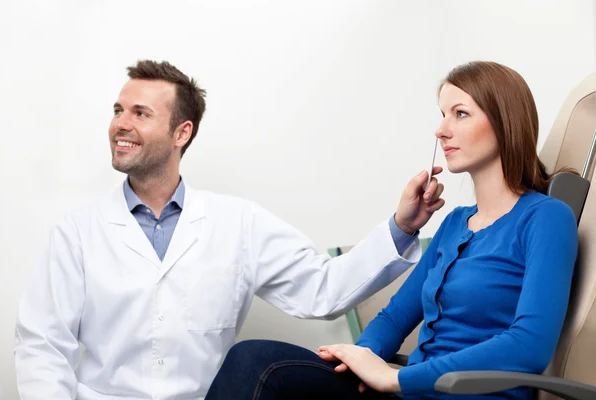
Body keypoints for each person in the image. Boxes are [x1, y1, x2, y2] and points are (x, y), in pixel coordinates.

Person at [14, 60, 445, 400]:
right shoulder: (77, 231)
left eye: (140, 113)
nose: (120, 124)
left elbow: (322, 289)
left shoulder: (238, 223)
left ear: (182, 132)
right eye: (118, 110)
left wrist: (401, 227)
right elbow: (42, 347)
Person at [204, 61, 579, 400]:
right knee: (254, 358)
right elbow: (394, 319)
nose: (441, 130)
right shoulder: (453, 223)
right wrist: (358, 359)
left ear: (505, 122)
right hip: (409, 392)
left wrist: (396, 379)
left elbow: (528, 346)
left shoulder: (546, 218)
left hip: (462, 396)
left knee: (260, 364)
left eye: (460, 114)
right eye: (443, 115)